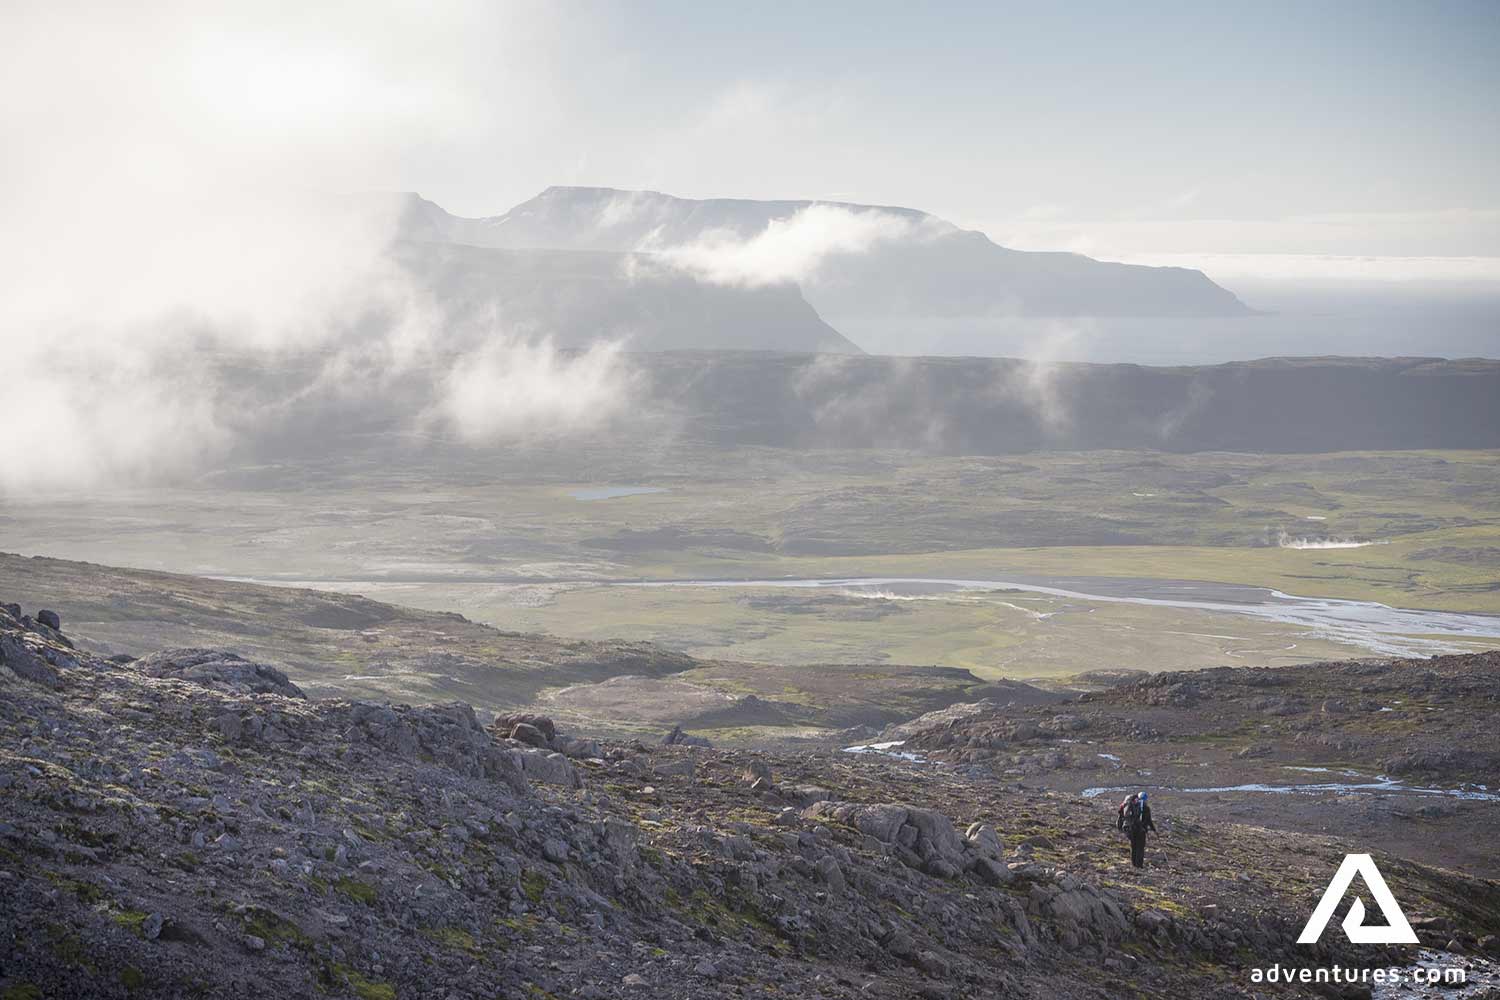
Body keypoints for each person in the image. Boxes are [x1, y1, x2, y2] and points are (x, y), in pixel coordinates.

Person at [1116, 791, 1158, 868]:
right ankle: (1139, 865)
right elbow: (1148, 821)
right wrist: (1154, 830)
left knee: (1133, 846)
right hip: (1141, 830)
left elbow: (1121, 815)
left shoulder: (1130, 805)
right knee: (1140, 847)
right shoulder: (1145, 808)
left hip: (1130, 829)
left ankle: (1134, 864)